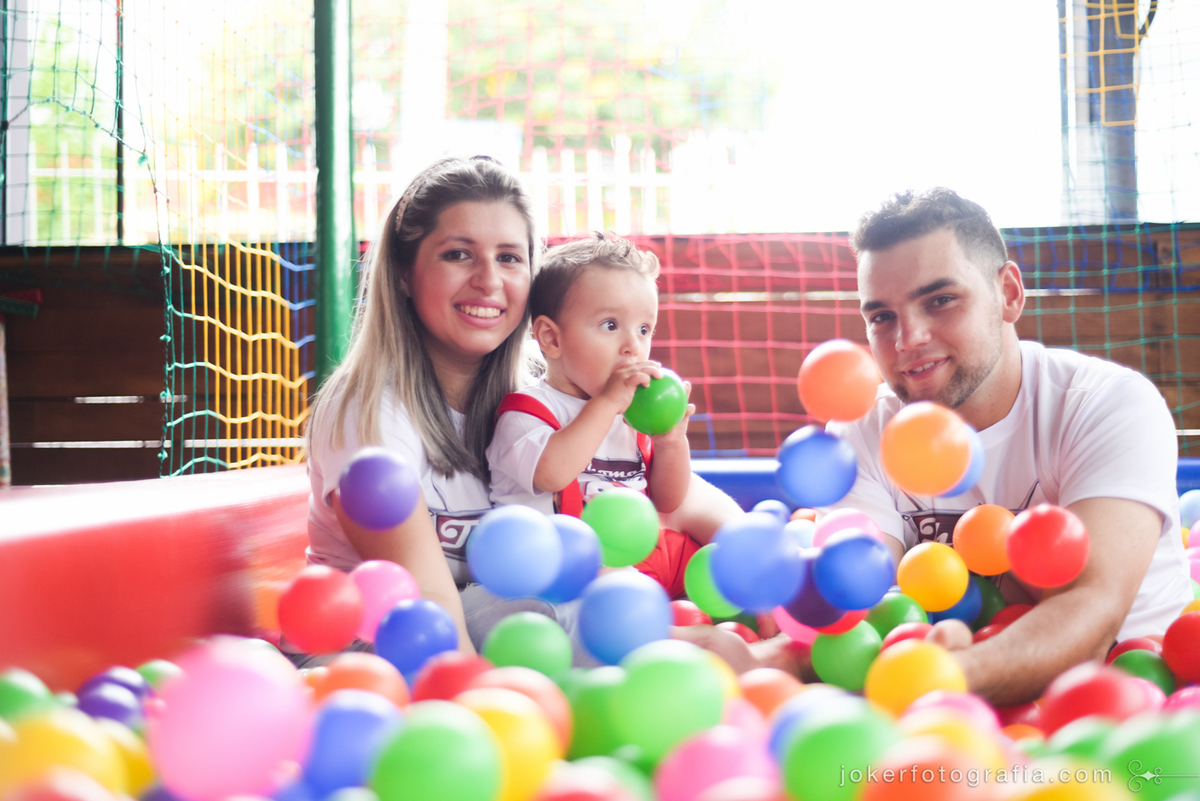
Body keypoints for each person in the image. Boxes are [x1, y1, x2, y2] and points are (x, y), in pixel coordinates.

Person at [678, 187, 1192, 706]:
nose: (908, 338)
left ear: (1009, 293)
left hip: (1132, 691)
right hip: (958, 699)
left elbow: (1090, 616)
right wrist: (769, 660)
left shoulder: (1106, 405)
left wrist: (934, 676)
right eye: (881, 317)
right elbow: (857, 604)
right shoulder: (860, 430)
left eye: (940, 300)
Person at [304, 157, 741, 663]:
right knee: (555, 610)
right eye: (458, 254)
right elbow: (429, 607)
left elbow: (684, 502)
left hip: (508, 632)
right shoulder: (368, 413)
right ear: (404, 273)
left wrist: (759, 570)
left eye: (509, 258)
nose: (489, 280)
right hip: (381, 656)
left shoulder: (545, 394)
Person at [487, 233, 702, 597]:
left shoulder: (629, 414)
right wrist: (605, 404)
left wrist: (670, 444)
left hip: (635, 557)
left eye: (644, 329)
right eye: (610, 325)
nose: (633, 346)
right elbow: (553, 474)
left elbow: (667, 502)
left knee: (710, 560)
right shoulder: (526, 413)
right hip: (564, 571)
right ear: (552, 339)